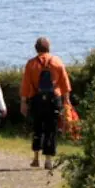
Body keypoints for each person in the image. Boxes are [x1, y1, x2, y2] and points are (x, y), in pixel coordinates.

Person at [21, 36, 71, 171]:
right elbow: (65, 84)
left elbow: (26, 85)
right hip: (54, 99)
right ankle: (48, 160)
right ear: (49, 47)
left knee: (37, 127)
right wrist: (66, 101)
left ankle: (36, 158)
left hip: (36, 99)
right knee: (51, 129)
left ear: (36, 48)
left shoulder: (31, 64)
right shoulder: (57, 62)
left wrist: (24, 102)